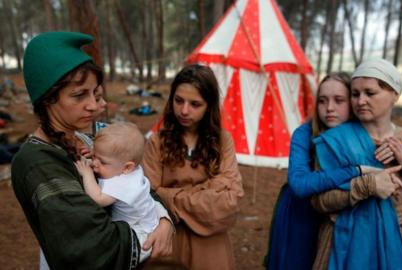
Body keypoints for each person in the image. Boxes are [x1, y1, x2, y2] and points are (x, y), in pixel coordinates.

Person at [11, 31, 173, 269]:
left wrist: (163, 220)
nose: (94, 105)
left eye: (95, 93)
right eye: (79, 95)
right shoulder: (37, 161)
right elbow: (94, 248)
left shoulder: (92, 137)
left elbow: (139, 184)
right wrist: (149, 233)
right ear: (47, 100)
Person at [264, 72, 402, 270]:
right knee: (297, 262)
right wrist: (357, 170)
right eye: (322, 101)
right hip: (303, 211)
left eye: (339, 100)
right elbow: (301, 185)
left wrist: (400, 145)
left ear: (352, 103)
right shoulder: (305, 133)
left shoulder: (362, 133)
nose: (329, 108)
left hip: (343, 215)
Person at [311, 58, 402, 269]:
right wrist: (366, 186)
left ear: (395, 95)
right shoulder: (335, 141)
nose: (360, 101)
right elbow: (319, 202)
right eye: (355, 94)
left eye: (370, 93)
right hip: (341, 244)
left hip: (394, 243)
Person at [142, 64, 244, 270]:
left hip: (211, 250)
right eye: (178, 101)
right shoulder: (157, 142)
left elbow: (228, 201)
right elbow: (147, 199)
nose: (184, 110)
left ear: (209, 106)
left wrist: (168, 195)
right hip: (168, 244)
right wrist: (204, 192)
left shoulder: (223, 142)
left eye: (195, 104)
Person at [74, 122, 172, 263]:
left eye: (102, 161)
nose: (94, 163)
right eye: (94, 156)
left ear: (127, 168)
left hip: (142, 235)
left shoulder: (124, 183)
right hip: (148, 220)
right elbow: (110, 158)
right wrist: (98, 154)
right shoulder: (125, 167)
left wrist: (87, 173)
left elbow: (99, 199)